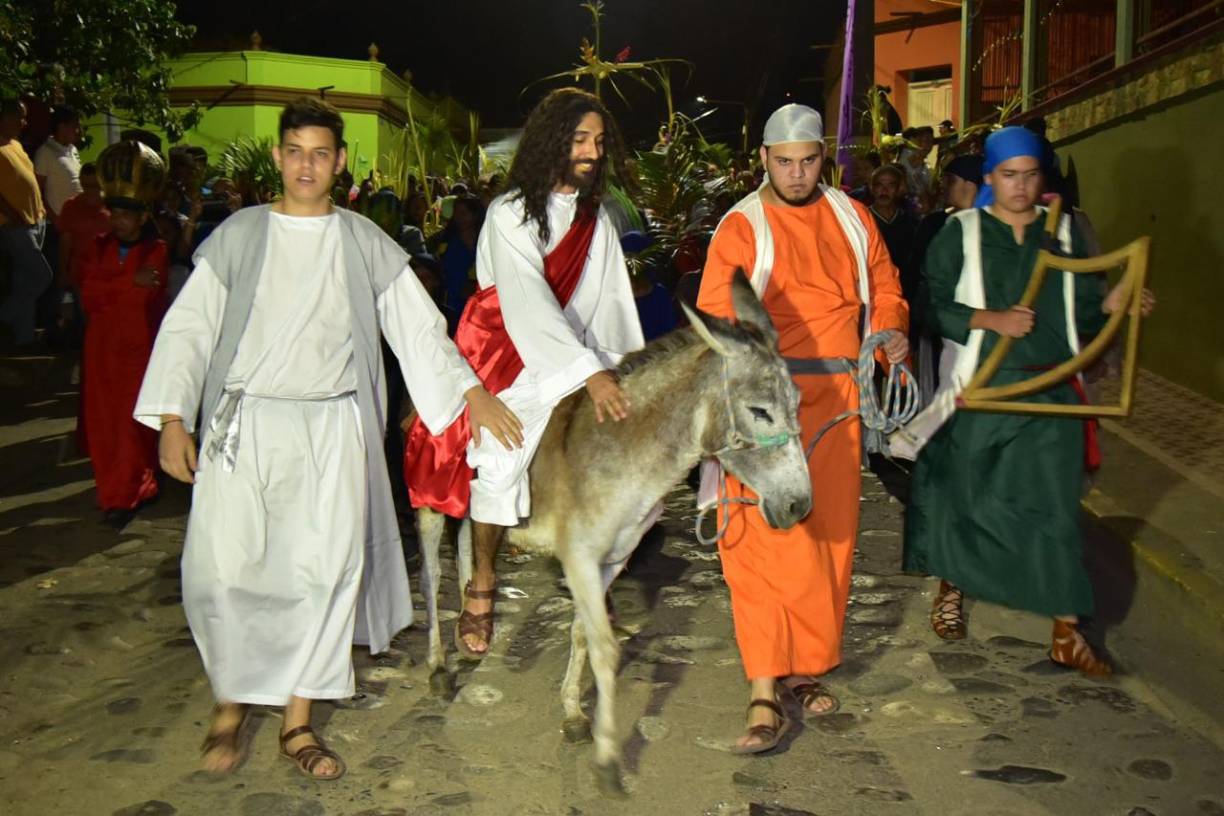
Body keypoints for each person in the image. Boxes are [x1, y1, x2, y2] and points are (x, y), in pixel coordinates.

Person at [133, 97, 521, 780]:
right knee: (223, 571)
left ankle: (298, 721)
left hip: (332, 428)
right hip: (246, 426)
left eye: (320, 153)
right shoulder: (240, 236)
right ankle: (231, 703)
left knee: (322, 574)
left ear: (339, 162)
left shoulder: (364, 242)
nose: (306, 166)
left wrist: (471, 392)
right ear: (278, 156)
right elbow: (189, 329)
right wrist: (171, 418)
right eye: (295, 152)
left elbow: (418, 328)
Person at [902, 127, 1155, 675]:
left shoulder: (1060, 232)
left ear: (1042, 177)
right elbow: (928, 305)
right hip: (981, 387)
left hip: (1050, 392)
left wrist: (1116, 304)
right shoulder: (960, 232)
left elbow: (1081, 312)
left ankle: (1067, 630)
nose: (1020, 186)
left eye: (1030, 174)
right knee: (968, 500)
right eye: (1009, 175)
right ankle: (952, 589)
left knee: (1054, 509)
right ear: (990, 178)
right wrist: (989, 319)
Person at [697, 104, 909, 753]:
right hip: (767, 409)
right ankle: (763, 690)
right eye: (784, 162)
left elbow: (885, 286)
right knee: (757, 541)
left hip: (840, 402)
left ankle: (804, 665)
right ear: (764, 159)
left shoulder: (852, 216)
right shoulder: (742, 226)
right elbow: (717, 316)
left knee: (824, 540)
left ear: (825, 159)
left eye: (808, 161)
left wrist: (890, 330)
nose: (796, 173)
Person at [403, 88, 644, 659]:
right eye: (580, 140)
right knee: (499, 455)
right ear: (552, 141)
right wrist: (585, 373)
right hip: (508, 353)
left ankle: (596, 580)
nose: (592, 152)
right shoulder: (509, 213)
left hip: (577, 355)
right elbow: (527, 303)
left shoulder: (596, 219)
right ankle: (482, 581)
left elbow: (610, 302)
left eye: (599, 141)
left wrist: (618, 368)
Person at [80, 141, 169, 528]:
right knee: (103, 425)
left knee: (133, 428)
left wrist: (113, 286)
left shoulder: (156, 251)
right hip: (100, 350)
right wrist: (128, 282)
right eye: (114, 212)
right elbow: (88, 294)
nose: (118, 220)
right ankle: (116, 491)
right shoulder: (98, 247)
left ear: (142, 216)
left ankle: (128, 493)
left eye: (126, 214)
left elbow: (140, 299)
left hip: (137, 351)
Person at [904, 154, 984, 398]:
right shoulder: (936, 223)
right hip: (941, 325)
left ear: (970, 184)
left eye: (950, 181)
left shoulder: (991, 226)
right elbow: (915, 274)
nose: (943, 187)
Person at [0, 98, 52, 347]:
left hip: (35, 220)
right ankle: (4, 317)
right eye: (21, 117)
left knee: (25, 282)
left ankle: (24, 339)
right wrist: (12, 215)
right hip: (14, 225)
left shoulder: (16, 145)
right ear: (6, 118)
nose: (24, 122)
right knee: (42, 275)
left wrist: (40, 211)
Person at [868, 165, 918, 289]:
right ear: (871, 188)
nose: (884, 191)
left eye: (891, 185)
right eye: (879, 185)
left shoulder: (911, 222)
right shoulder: (861, 220)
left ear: (899, 189)